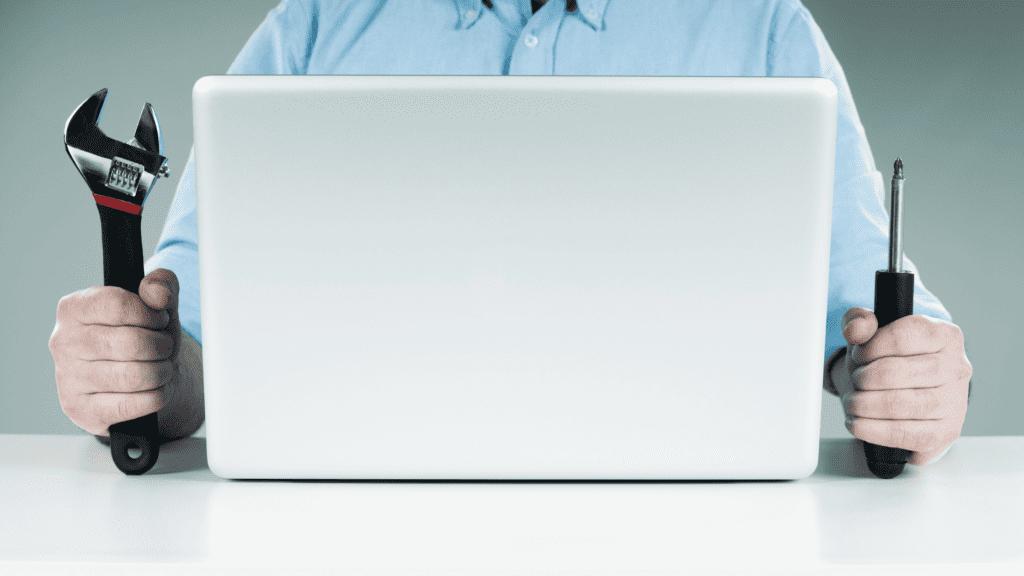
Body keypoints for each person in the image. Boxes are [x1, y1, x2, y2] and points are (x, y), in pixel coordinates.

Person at [48, 0, 972, 466]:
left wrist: (915, 381)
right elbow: (187, 361)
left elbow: (880, 345)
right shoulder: (318, 21)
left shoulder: (760, 24)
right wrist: (139, 371)